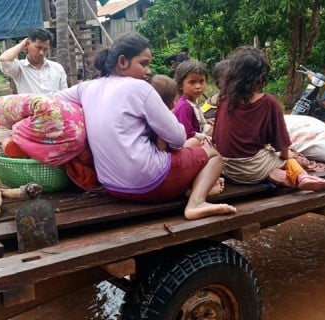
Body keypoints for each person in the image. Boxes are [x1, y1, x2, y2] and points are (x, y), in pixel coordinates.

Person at [55, 31, 236, 220]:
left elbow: (50, 99)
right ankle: (196, 202)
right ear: (122, 62)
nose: (148, 71)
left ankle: (192, 188)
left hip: (112, 186)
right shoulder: (139, 87)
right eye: (143, 63)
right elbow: (178, 138)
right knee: (213, 154)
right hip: (150, 183)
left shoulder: (86, 87)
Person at [212, 46, 325, 192]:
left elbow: (217, 138)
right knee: (287, 159)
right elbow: (282, 144)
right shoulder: (268, 102)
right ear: (261, 77)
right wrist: (288, 156)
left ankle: (278, 176)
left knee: (267, 158)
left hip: (225, 167)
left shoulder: (224, 99)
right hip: (252, 168)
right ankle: (301, 177)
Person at [0, 28, 68, 94]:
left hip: (53, 106)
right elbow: (4, 59)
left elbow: (65, 94)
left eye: (45, 49)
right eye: (38, 48)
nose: (41, 53)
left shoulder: (57, 68)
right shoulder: (19, 68)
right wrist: (21, 45)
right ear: (28, 44)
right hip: (29, 107)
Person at [172, 60, 213, 142]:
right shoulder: (184, 106)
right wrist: (205, 136)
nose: (198, 86)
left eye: (201, 81)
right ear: (180, 85)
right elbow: (187, 133)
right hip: (188, 142)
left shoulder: (193, 101)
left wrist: (206, 121)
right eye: (192, 82)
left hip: (197, 134)